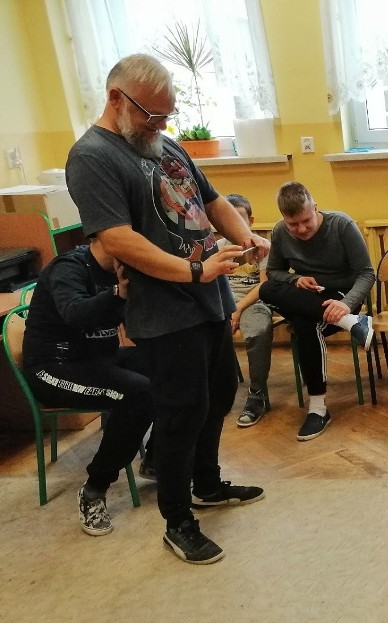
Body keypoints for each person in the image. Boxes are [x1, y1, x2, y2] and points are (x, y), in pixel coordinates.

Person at [65, 53, 270, 565]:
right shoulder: (92, 156)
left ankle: (208, 483)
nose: (161, 125)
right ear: (116, 98)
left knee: (220, 393)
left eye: (166, 115)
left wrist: (246, 236)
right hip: (164, 312)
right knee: (181, 415)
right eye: (152, 114)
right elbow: (117, 239)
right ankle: (178, 520)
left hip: (208, 299)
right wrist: (196, 272)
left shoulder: (163, 144)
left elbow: (212, 199)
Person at [22, 240, 153, 536]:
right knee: (138, 393)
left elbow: (130, 323)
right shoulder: (69, 268)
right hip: (53, 367)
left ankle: (155, 458)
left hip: (98, 361)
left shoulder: (122, 268)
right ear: (106, 237)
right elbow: (75, 313)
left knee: (167, 365)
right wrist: (118, 293)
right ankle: (95, 489)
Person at [258, 182, 375, 441]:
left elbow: (366, 274)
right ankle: (352, 323)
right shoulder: (279, 232)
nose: (300, 229)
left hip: (342, 297)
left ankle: (318, 408)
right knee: (267, 289)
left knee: (303, 324)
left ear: (315, 208)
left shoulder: (341, 225)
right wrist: (296, 279)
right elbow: (274, 272)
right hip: (305, 295)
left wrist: (345, 305)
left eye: (305, 221)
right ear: (283, 219)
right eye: (293, 224)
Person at [219, 193, 273, 427]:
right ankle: (214, 392)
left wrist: (237, 309)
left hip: (254, 302)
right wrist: (226, 310)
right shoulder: (217, 248)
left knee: (258, 332)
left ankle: (257, 394)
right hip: (223, 303)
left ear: (250, 221)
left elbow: (264, 286)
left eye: (239, 220)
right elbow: (214, 284)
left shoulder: (262, 247)